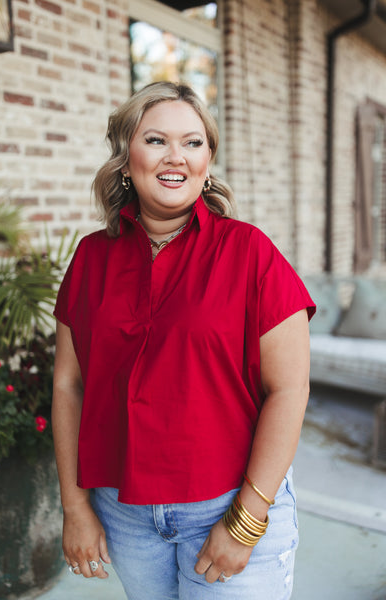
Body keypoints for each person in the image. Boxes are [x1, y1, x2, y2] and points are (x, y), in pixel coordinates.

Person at [52, 81, 316, 600]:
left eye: (193, 143)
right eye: (156, 141)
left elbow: (289, 390)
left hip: (228, 504)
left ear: (208, 160)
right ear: (126, 159)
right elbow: (68, 386)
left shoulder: (250, 254)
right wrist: (75, 507)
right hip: (124, 514)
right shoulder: (90, 259)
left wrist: (247, 520)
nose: (176, 157)